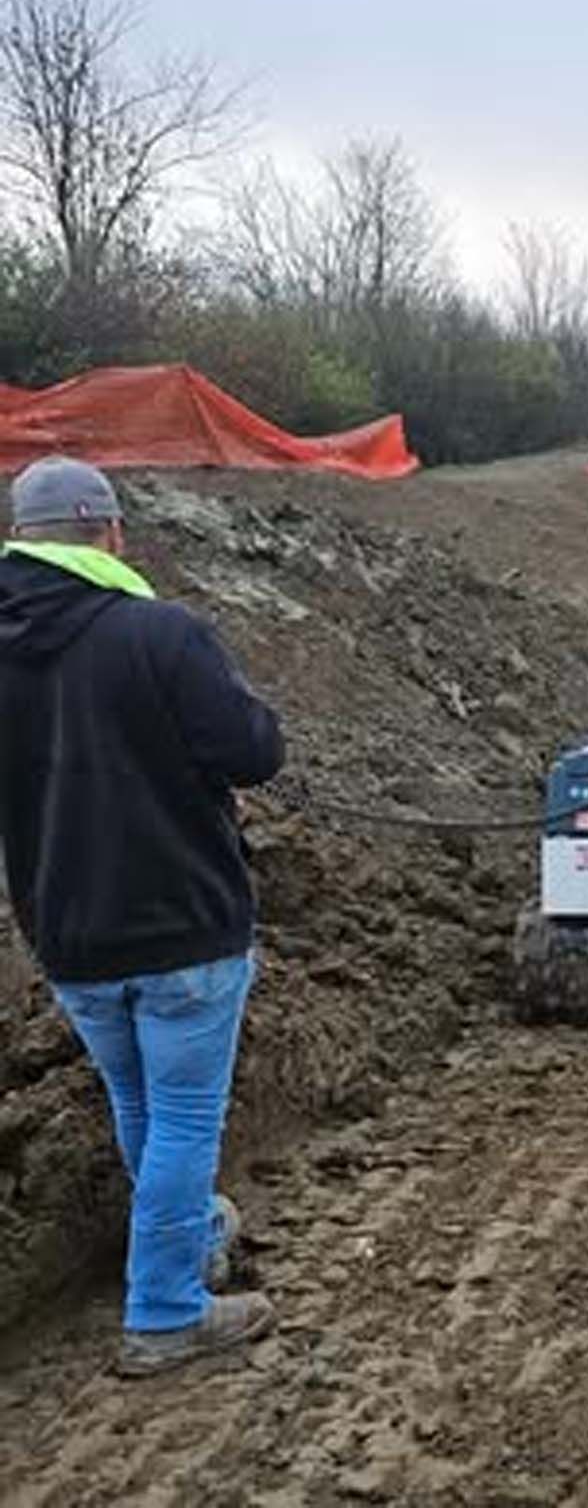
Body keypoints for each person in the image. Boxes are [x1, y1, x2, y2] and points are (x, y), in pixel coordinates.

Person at [0, 456, 284, 1377]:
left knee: (143, 1106)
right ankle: (166, 1311)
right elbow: (252, 753)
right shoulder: (161, 634)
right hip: (183, 928)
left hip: (70, 930)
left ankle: (192, 1232)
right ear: (110, 533)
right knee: (186, 1119)